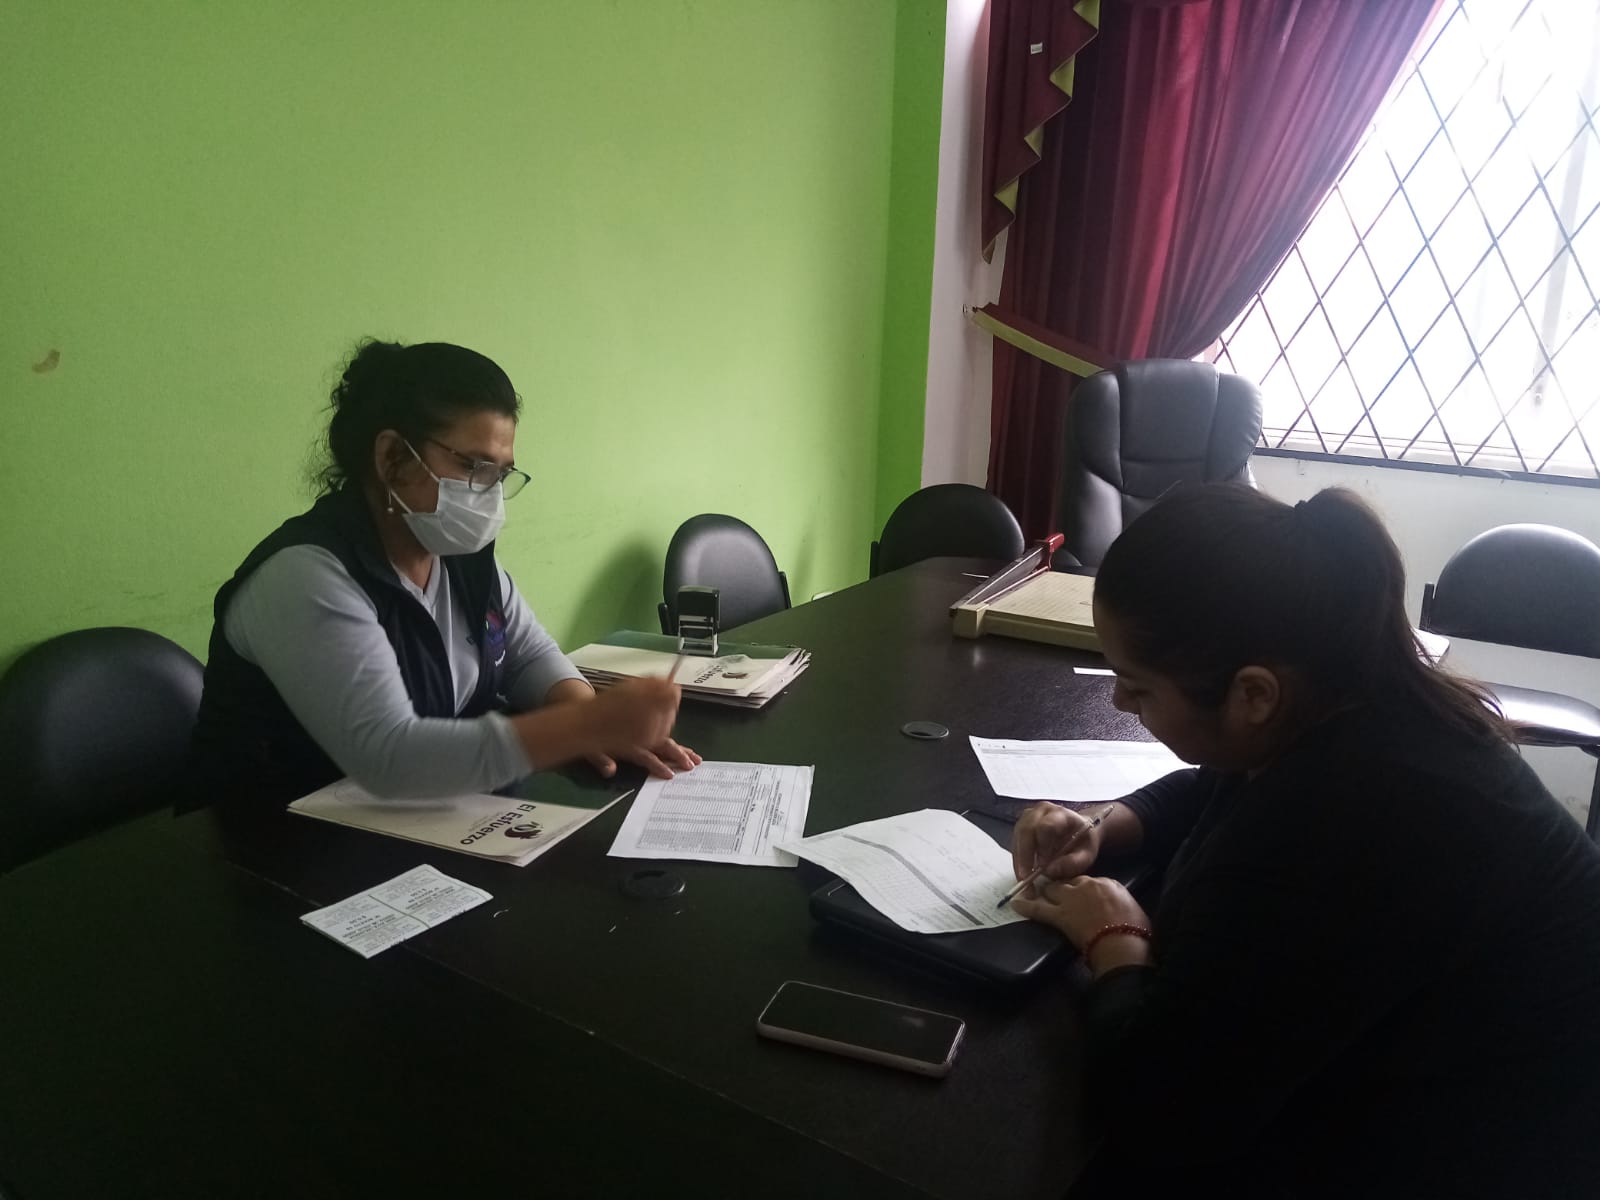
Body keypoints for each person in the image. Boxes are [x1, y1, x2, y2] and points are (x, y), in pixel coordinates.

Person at [1008, 484, 1600, 1198]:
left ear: (1254, 695)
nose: (1118, 703)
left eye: (1137, 688)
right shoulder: (1353, 710)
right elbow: (1216, 785)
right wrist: (1106, 824)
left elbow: (1163, 1115)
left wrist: (1115, 938)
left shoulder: (1355, 820)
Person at [188, 339, 698, 806]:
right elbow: (390, 758)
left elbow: (526, 655)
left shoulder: (458, 553)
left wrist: (591, 719)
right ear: (392, 456)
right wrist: (583, 727)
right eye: (473, 466)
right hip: (270, 843)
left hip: (415, 823)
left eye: (500, 473)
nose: (489, 494)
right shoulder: (304, 575)